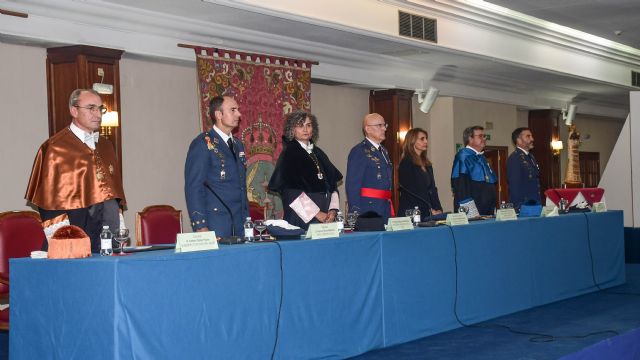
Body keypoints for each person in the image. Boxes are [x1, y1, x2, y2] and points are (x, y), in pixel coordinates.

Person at [25, 89, 126, 252]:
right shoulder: (55, 148)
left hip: (107, 240)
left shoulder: (106, 145)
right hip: (74, 237)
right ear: (74, 110)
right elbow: (50, 204)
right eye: (91, 108)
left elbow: (112, 194)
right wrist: (66, 242)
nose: (98, 114)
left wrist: (119, 230)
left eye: (100, 109)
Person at [184, 95, 249, 237]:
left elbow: (241, 187)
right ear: (219, 114)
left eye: (238, 110)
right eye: (233, 110)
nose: (239, 114)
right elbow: (194, 187)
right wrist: (200, 226)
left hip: (240, 222)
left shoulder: (238, 145)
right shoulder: (202, 143)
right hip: (216, 223)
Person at [268, 111, 342, 230]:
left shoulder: (318, 153)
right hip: (302, 216)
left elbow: (332, 185)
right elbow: (290, 192)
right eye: (300, 125)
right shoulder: (289, 154)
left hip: (325, 215)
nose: (305, 129)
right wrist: (317, 214)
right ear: (292, 129)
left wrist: (332, 211)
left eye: (308, 125)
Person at [346, 113, 393, 221]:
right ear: (368, 129)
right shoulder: (359, 151)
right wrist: (355, 212)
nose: (384, 129)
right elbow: (352, 185)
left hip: (385, 206)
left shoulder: (384, 151)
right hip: (368, 208)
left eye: (385, 125)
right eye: (379, 125)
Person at [450, 125, 497, 215]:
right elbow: (460, 186)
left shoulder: (481, 157)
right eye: (480, 136)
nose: (484, 138)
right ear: (470, 139)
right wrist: (470, 210)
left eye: (484, 136)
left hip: (486, 209)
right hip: (473, 210)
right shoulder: (463, 156)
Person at [398, 128, 443, 219]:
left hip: (428, 211)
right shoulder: (406, 162)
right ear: (412, 141)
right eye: (422, 139)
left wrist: (438, 208)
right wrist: (429, 209)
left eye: (426, 138)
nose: (426, 141)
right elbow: (412, 191)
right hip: (412, 211)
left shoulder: (427, 163)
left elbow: (432, 189)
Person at [506, 127, 541, 209]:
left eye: (531, 136)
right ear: (519, 140)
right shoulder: (515, 158)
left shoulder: (530, 157)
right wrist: (519, 207)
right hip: (524, 206)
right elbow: (515, 186)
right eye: (528, 136)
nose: (532, 139)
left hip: (534, 203)